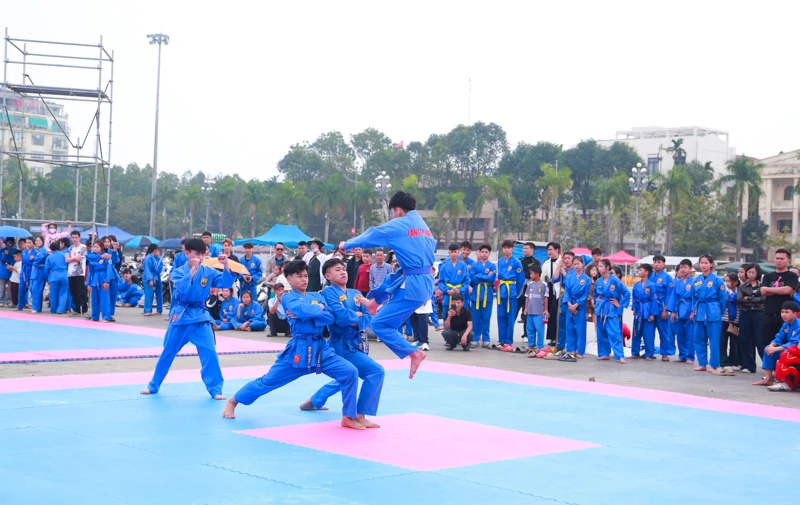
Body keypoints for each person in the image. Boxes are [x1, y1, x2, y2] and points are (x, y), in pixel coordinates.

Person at [222, 260, 363, 429]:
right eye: (299, 276)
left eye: (305, 276)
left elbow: (330, 317)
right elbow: (301, 311)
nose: (304, 280)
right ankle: (233, 401)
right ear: (289, 279)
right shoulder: (288, 297)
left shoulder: (316, 296)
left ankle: (348, 416)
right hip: (298, 349)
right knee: (267, 381)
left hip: (321, 349)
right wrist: (316, 311)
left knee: (350, 372)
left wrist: (311, 311)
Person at [341, 190, 431, 378]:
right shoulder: (423, 226)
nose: (392, 216)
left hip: (413, 284)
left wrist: (346, 245)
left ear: (397, 210)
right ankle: (373, 304)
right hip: (422, 281)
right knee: (389, 281)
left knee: (380, 325)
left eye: (392, 213)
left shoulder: (398, 225)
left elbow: (372, 234)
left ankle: (414, 352)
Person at [142, 238, 235, 399]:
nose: (199, 257)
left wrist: (226, 265)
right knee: (168, 352)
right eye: (196, 254)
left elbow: (226, 282)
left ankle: (215, 389)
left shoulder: (209, 271)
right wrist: (192, 270)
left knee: (210, 352)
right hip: (182, 316)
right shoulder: (178, 272)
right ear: (187, 253)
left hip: (200, 316)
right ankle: (153, 385)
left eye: (202, 254)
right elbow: (183, 290)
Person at [300, 258, 385, 428]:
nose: (343, 272)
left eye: (344, 269)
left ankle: (317, 401)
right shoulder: (328, 293)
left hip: (356, 344)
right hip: (340, 345)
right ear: (328, 276)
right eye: (337, 270)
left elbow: (369, 316)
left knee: (354, 376)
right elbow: (341, 317)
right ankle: (354, 415)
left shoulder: (355, 293)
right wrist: (358, 315)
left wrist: (358, 317)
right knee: (368, 373)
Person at [691, 254, 730, 375]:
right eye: (701, 263)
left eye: (706, 263)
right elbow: (693, 297)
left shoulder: (718, 280)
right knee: (699, 338)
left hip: (713, 311)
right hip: (700, 310)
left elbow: (723, 298)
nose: (703, 265)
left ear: (711, 264)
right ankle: (702, 363)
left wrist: (718, 311)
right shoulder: (696, 280)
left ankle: (714, 364)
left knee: (714, 340)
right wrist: (693, 311)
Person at [758, 249, 799, 361]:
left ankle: (782, 370)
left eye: (782, 258)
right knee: (766, 343)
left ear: (788, 260)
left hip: (785, 316)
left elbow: (787, 290)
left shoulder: (792, 276)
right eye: (777, 258)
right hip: (768, 314)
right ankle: (769, 372)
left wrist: (769, 290)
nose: (779, 261)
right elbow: (763, 291)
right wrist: (777, 290)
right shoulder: (767, 276)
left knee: (784, 344)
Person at [752, 301, 800, 388]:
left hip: (795, 351)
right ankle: (768, 378)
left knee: (786, 353)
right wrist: (772, 345)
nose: (783, 315)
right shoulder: (785, 324)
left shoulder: (798, 325)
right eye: (782, 312)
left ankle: (785, 381)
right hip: (788, 348)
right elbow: (779, 338)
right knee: (768, 349)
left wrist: (776, 349)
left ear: (795, 313)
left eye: (787, 312)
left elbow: (794, 343)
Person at [593, 259, 626, 364]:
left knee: (615, 332)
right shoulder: (598, 281)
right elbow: (595, 295)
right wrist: (596, 301)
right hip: (601, 309)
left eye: (601, 266)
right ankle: (604, 353)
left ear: (607, 267)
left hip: (611, 309)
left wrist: (619, 305)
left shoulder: (615, 280)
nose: (599, 268)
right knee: (601, 332)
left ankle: (620, 355)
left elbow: (626, 293)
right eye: (598, 266)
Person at [496, 239, 525, 350]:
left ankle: (508, 341)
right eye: (504, 248)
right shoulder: (500, 261)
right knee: (501, 317)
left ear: (512, 249)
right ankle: (501, 340)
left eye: (509, 247)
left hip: (511, 291)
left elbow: (521, 279)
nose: (506, 250)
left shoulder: (516, 262)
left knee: (510, 317)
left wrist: (516, 293)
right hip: (501, 291)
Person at [668, 259, 696, 363]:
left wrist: (693, 311)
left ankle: (690, 356)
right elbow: (674, 297)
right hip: (679, 309)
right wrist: (672, 311)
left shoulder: (694, 281)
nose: (683, 270)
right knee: (680, 333)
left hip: (689, 308)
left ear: (690, 268)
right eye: (681, 268)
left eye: (685, 267)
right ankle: (682, 355)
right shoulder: (678, 283)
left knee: (690, 334)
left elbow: (695, 298)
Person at [562, 256, 590, 361]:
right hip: (570, 303)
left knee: (580, 328)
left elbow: (585, 294)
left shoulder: (586, 279)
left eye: (578, 264)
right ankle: (571, 349)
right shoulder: (569, 277)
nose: (576, 266)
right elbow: (567, 292)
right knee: (569, 328)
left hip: (580, 305)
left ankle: (580, 350)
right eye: (575, 264)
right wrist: (569, 304)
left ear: (582, 264)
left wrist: (576, 305)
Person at [737, 263, 763, 374]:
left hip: (758, 314)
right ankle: (748, 365)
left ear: (757, 273)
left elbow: (763, 300)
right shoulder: (743, 286)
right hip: (746, 314)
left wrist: (749, 298)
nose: (751, 274)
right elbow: (740, 300)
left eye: (753, 272)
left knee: (760, 340)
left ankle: (767, 365)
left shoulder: (762, 286)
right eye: (749, 272)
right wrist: (754, 300)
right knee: (745, 339)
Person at [651, 255, 676, 361]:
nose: (656, 264)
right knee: (649, 331)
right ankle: (649, 351)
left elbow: (670, 295)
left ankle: (664, 353)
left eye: (659, 262)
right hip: (651, 308)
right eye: (655, 262)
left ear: (663, 264)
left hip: (662, 308)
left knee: (663, 331)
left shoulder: (667, 277)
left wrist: (666, 310)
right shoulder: (650, 276)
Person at [471, 243, 496, 348]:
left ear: (489, 253)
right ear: (479, 253)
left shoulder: (492, 266)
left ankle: (486, 338)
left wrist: (479, 276)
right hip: (476, 294)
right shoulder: (474, 265)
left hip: (487, 294)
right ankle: (475, 338)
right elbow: (472, 278)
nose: (484, 254)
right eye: (482, 252)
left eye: (486, 252)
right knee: (475, 318)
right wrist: (485, 276)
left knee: (486, 318)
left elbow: (492, 279)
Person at [631, 263, 658, 359]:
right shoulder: (636, 284)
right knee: (636, 331)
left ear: (646, 272)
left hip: (647, 309)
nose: (639, 272)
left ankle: (649, 354)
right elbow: (634, 297)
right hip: (638, 309)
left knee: (648, 333)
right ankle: (635, 353)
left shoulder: (652, 285)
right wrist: (634, 308)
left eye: (640, 270)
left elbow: (654, 300)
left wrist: (653, 314)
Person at [515, 241, 541, 338]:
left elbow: (534, 275)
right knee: (514, 312)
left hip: (530, 291)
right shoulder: (519, 261)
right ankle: (508, 335)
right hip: (519, 291)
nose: (524, 250)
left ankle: (526, 335)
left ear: (532, 250)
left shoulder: (536, 262)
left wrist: (525, 276)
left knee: (527, 313)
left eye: (527, 248)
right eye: (523, 248)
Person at [522, 264, 548, 355]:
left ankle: (540, 346)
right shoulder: (530, 285)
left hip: (539, 312)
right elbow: (527, 297)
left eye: (531, 274)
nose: (530, 275)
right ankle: (531, 345)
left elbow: (545, 298)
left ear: (537, 274)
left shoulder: (544, 285)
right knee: (530, 329)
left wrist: (545, 310)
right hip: (530, 312)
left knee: (539, 330)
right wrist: (525, 308)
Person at [85, 240, 112, 321]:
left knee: (104, 299)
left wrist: (106, 281)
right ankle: (94, 316)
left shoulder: (107, 257)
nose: (95, 249)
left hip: (103, 277)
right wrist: (88, 283)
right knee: (94, 299)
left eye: (97, 247)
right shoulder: (92, 256)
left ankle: (106, 317)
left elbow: (109, 269)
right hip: (94, 278)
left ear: (102, 248)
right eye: (94, 247)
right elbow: (89, 271)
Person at [541, 242, 562, 348]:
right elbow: (542, 278)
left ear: (557, 250)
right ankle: (552, 337)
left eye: (551, 249)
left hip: (559, 290)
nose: (549, 252)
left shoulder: (562, 261)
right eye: (548, 250)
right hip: (549, 289)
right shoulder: (546, 263)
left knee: (557, 314)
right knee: (550, 314)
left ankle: (559, 337)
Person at [438, 243, 469, 310]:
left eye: (455, 252)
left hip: (459, 294)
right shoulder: (444, 266)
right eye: (451, 252)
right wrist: (447, 290)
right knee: (446, 316)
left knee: (460, 316)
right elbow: (440, 282)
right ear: (449, 253)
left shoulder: (463, 266)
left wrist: (460, 290)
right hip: (448, 294)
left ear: (458, 252)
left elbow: (466, 281)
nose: (453, 254)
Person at [554, 251, 575, 352]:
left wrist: (564, 273)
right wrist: (559, 266)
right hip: (562, 299)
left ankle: (571, 346)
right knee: (561, 323)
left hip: (572, 299)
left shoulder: (576, 271)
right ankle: (560, 345)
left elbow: (571, 283)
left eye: (568, 258)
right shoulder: (563, 269)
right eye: (564, 258)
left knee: (570, 324)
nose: (566, 260)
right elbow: (554, 279)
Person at [720, 272, 741, 372]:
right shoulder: (723, 291)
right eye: (726, 281)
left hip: (735, 320)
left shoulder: (740, 292)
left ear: (736, 282)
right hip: (724, 319)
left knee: (734, 342)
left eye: (729, 281)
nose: (727, 283)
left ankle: (734, 361)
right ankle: (723, 361)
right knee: (723, 341)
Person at [66, 230, 88, 315]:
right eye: (73, 237)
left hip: (80, 272)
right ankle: (77, 310)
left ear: (79, 238)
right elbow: (66, 259)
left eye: (76, 237)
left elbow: (79, 258)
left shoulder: (83, 247)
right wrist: (73, 259)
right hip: (71, 273)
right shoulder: (70, 248)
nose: (74, 239)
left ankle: (84, 310)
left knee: (82, 292)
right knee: (73, 292)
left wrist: (71, 258)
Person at [142, 244, 163, 316]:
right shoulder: (148, 258)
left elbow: (156, 269)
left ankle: (151, 310)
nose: (158, 251)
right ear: (154, 250)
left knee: (153, 294)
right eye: (157, 250)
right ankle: (147, 310)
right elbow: (147, 270)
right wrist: (150, 279)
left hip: (155, 278)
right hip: (149, 278)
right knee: (149, 295)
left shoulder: (153, 258)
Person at [29, 237, 47, 313]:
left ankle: (36, 308)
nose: (37, 242)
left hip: (40, 271)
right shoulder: (38, 251)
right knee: (33, 289)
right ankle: (36, 307)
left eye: (39, 240)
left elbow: (40, 258)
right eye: (36, 240)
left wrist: (35, 262)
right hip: (36, 271)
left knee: (36, 289)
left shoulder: (42, 250)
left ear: (43, 241)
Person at [17, 238, 34, 310]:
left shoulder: (35, 252)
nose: (28, 244)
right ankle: (20, 305)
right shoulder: (23, 252)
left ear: (33, 243)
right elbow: (23, 262)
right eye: (27, 243)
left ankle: (31, 304)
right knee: (21, 289)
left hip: (31, 272)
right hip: (24, 272)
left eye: (30, 242)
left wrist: (33, 258)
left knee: (31, 289)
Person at [0, 237, 15, 307]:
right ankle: (1, 301)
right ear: (5, 243)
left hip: (11, 270)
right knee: (1, 287)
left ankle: (9, 301)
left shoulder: (15, 250)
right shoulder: (2, 250)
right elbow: (1, 259)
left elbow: (16, 259)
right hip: (3, 270)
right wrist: (4, 254)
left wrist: (11, 265)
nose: (9, 243)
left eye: (11, 242)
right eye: (8, 242)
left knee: (10, 287)